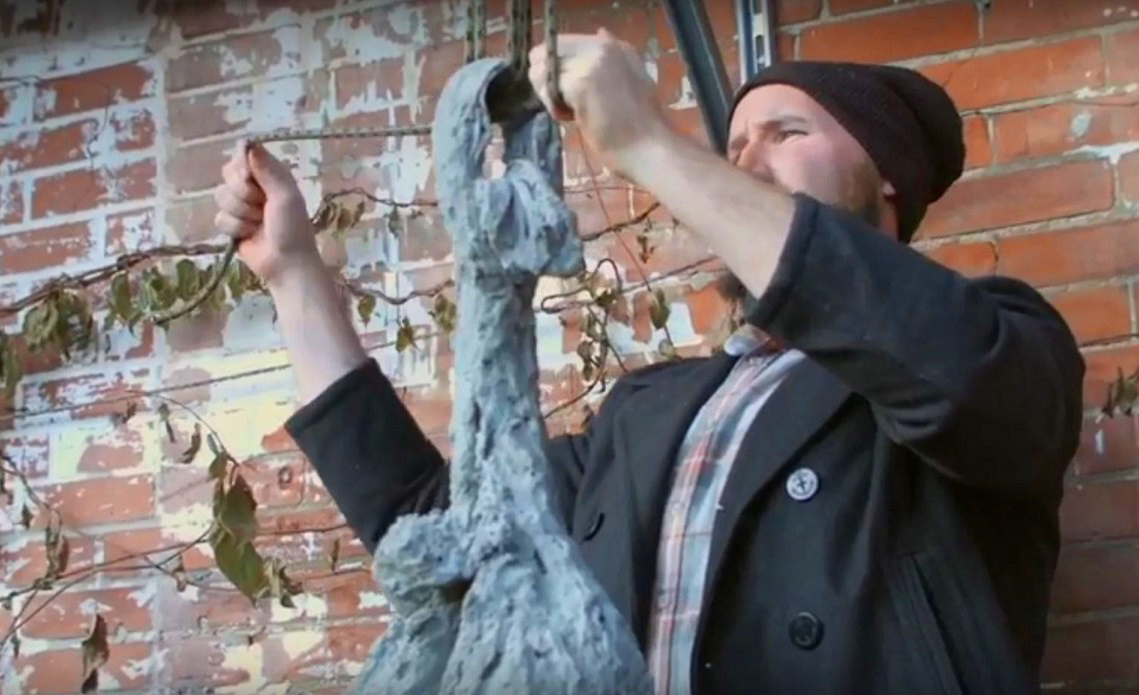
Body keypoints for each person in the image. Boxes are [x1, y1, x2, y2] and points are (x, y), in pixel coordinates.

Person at [213, 29, 1085, 695]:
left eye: (785, 132)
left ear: (887, 176)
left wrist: (648, 143)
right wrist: (294, 276)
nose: (746, 161)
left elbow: (950, 370)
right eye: (732, 149)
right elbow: (450, 522)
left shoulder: (995, 343)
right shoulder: (647, 412)